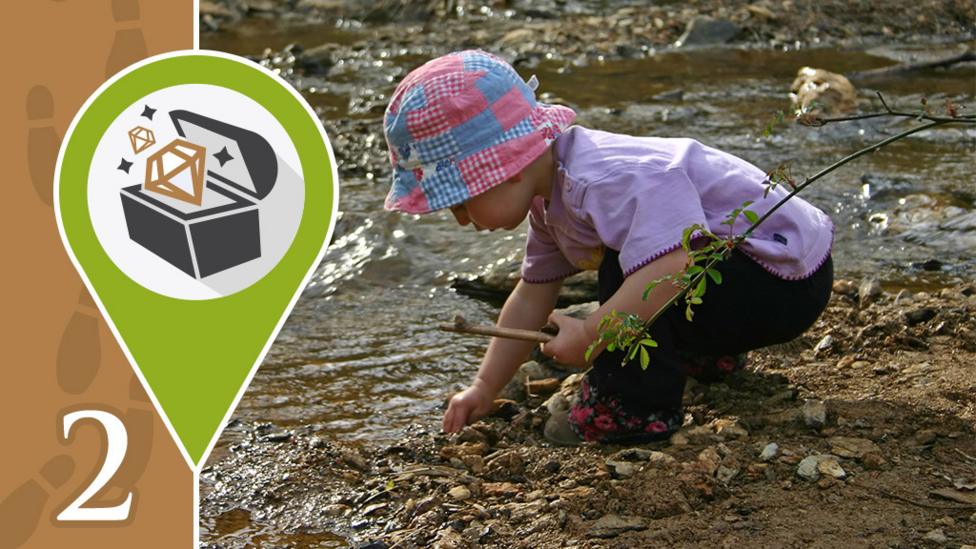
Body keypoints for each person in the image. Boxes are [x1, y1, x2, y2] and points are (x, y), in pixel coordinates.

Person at [382, 50, 834, 445]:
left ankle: (630, 410)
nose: (462, 220)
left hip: (784, 283)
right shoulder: (550, 198)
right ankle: (703, 353)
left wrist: (594, 333)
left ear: (506, 167)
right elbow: (532, 294)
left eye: (461, 202)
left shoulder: (601, 179)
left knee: (634, 265)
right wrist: (484, 387)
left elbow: (677, 261)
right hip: (748, 280)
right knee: (633, 263)